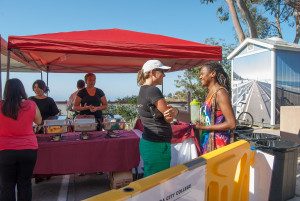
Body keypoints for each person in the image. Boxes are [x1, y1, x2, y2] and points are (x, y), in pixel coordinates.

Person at [0, 78, 42, 201]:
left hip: (5, 149)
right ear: (22, 90)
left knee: (6, 185)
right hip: (28, 149)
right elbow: (39, 121)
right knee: (25, 184)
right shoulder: (31, 104)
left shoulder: (1, 106)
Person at [137, 60, 179, 177]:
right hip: (157, 145)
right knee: (156, 184)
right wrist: (176, 111)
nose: (164, 75)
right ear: (152, 73)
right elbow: (169, 117)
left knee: (150, 181)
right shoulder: (153, 90)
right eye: (162, 71)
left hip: (149, 143)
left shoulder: (143, 90)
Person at [195, 61, 236, 155]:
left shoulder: (220, 93)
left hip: (218, 146)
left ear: (213, 73)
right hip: (208, 142)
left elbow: (231, 124)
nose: (200, 77)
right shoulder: (210, 94)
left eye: (202, 74)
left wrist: (204, 127)